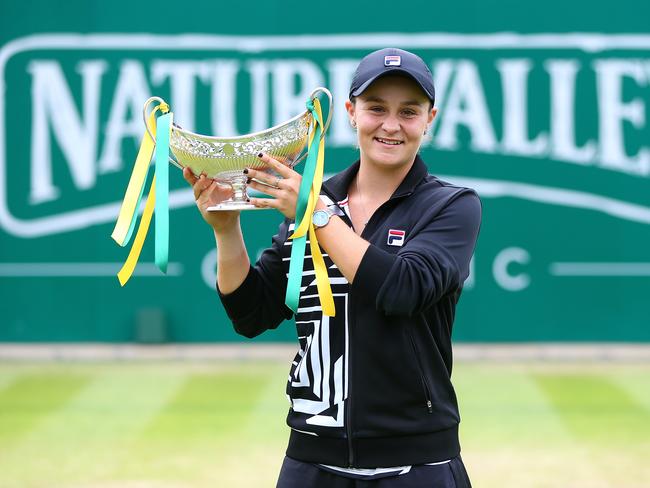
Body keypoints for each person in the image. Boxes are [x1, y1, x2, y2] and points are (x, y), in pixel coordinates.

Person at [183, 47, 481, 488]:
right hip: (311, 458)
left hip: (417, 462)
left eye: (409, 112)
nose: (391, 125)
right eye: (375, 108)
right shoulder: (314, 196)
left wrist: (318, 216)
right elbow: (253, 313)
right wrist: (226, 231)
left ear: (429, 119)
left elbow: (403, 289)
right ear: (350, 112)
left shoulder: (451, 206)